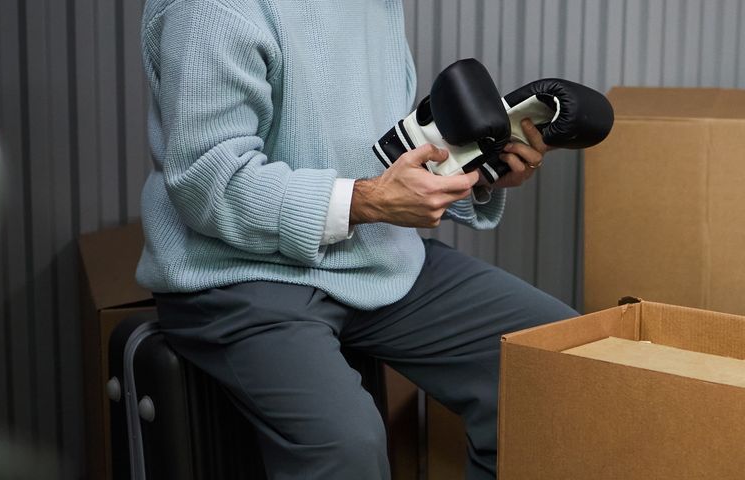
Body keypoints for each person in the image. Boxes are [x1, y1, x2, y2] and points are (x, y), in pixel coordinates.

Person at [135, 1, 574, 478]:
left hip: (375, 253)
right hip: (239, 274)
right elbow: (208, 181)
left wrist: (476, 174)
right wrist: (366, 203)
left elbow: (374, 151)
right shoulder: (211, 10)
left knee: (561, 369)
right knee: (348, 448)